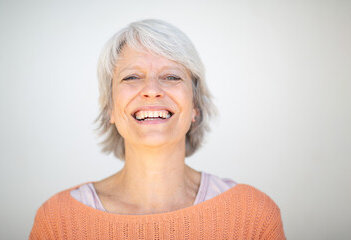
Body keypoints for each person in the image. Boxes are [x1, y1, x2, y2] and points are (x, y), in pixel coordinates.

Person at [29, 19, 286, 239]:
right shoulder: (58, 222)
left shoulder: (253, 217)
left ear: (195, 106)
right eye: (131, 77)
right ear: (110, 109)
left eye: (172, 77)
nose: (152, 90)